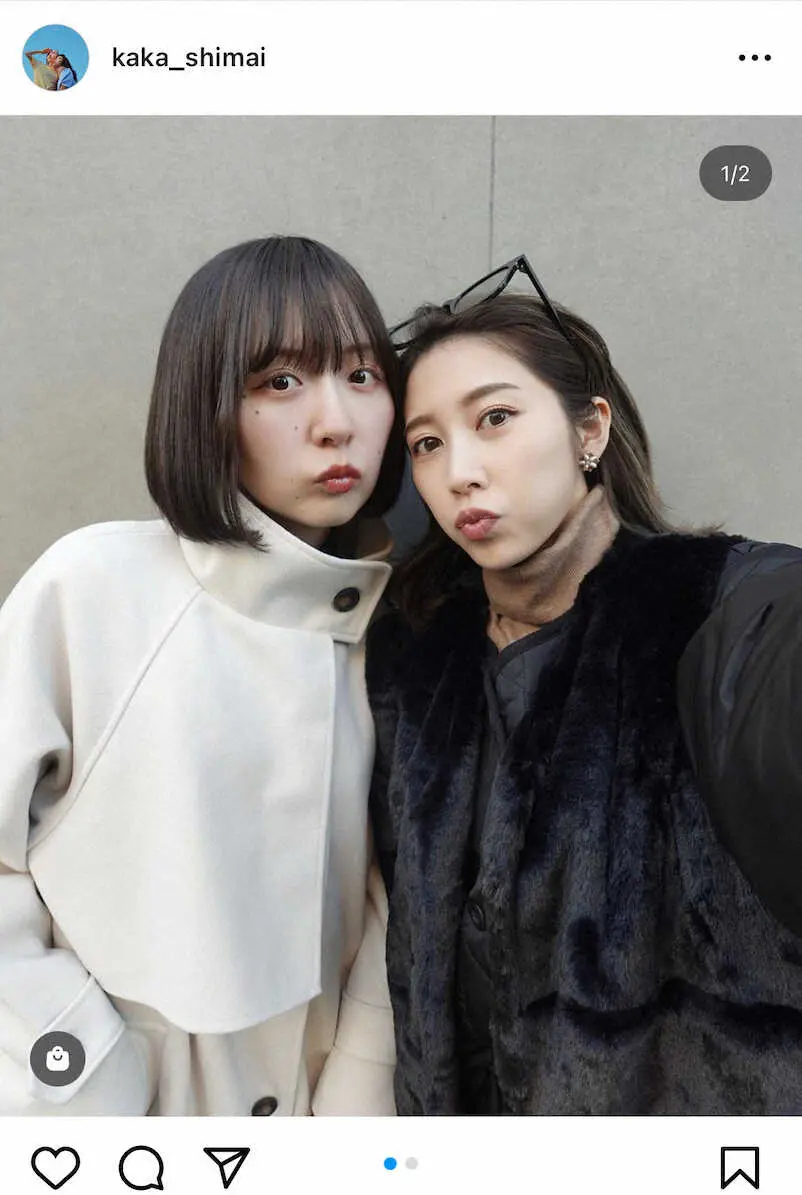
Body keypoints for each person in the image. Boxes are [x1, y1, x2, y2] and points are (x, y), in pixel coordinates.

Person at [367, 254, 802, 1116]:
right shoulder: (413, 665)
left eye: (495, 418)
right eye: (426, 444)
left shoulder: (723, 609)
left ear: (590, 430)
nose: (458, 471)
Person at [0, 235, 403, 1115]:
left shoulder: (401, 632)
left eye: (362, 375)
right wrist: (80, 1062)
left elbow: (400, 895)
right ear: (205, 403)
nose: (335, 421)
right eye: (281, 381)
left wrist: (358, 1093)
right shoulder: (93, 587)